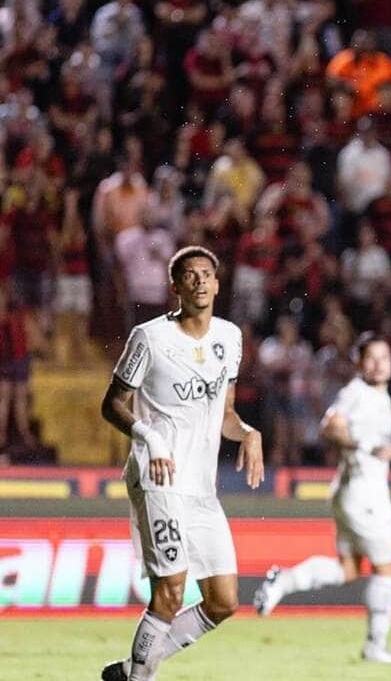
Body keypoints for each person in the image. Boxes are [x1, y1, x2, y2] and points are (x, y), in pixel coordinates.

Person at [99, 246, 265, 681]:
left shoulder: (230, 337)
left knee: (223, 601)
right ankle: (140, 676)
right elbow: (112, 403)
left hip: (200, 488)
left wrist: (248, 432)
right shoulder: (149, 337)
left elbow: (225, 414)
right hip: (158, 478)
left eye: (206, 274)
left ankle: (131, 668)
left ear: (217, 282)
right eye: (189, 275)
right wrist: (150, 438)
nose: (199, 281)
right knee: (170, 593)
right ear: (174, 286)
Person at [253, 332, 391, 664]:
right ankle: (375, 645)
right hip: (363, 492)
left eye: (385, 357)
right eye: (371, 358)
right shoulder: (356, 393)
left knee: (348, 569)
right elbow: (329, 427)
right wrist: (371, 446)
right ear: (358, 363)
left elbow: (368, 438)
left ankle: (284, 581)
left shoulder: (378, 397)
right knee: (386, 565)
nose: (379, 364)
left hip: (352, 490)